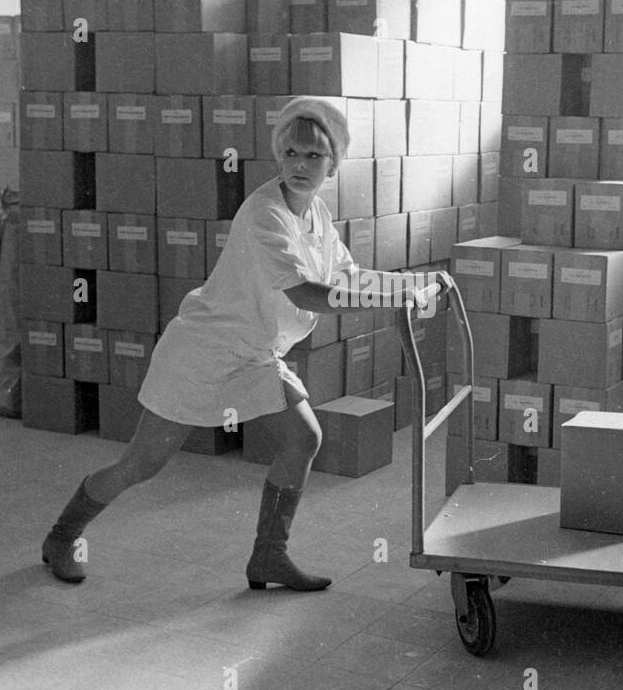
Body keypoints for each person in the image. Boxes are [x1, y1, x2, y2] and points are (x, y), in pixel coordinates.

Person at [41, 97, 453, 592]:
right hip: (203, 352)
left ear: (332, 165)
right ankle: (61, 537)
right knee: (142, 465)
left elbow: (348, 275)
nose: (301, 166)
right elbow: (306, 293)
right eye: (292, 153)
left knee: (303, 438)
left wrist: (410, 286)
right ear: (280, 156)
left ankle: (268, 558)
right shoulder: (264, 213)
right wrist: (393, 299)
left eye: (314, 157)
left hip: (256, 353)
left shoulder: (316, 214)